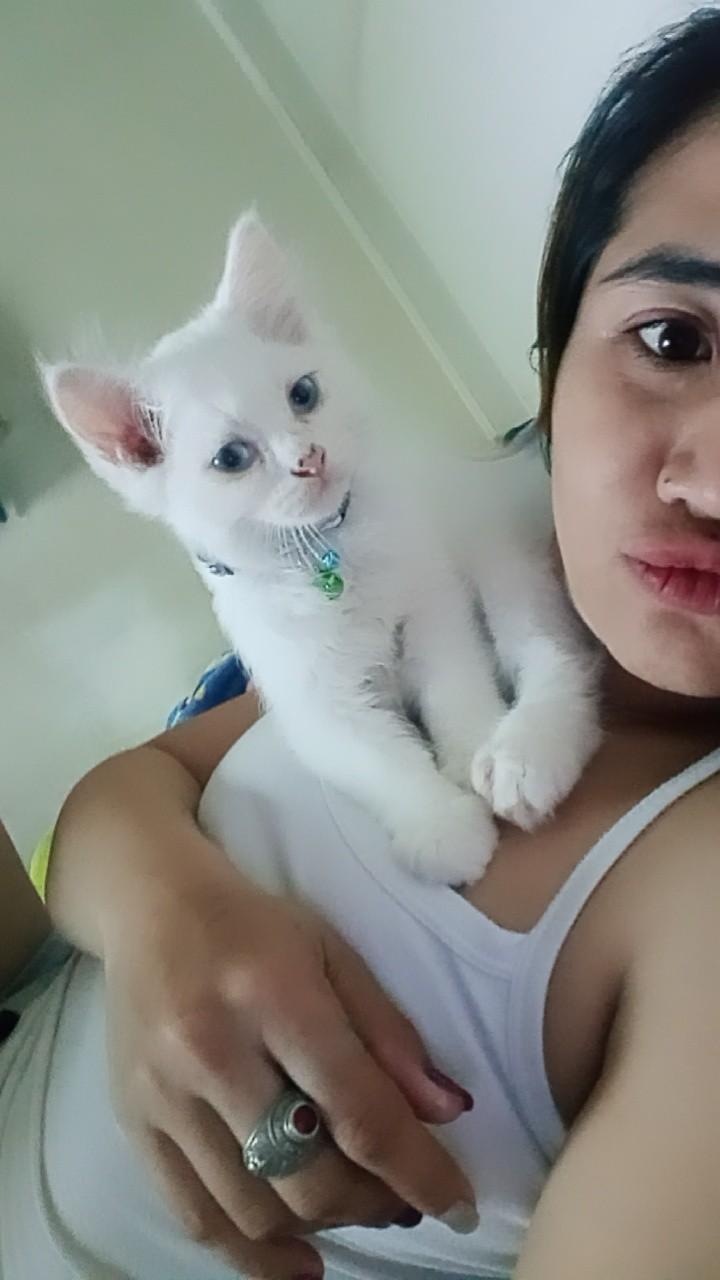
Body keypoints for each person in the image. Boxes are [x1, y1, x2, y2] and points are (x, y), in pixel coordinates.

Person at [3, 8, 720, 1278]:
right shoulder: (507, 513)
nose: (710, 480)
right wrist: (167, 911)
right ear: (557, 339)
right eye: (675, 338)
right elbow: (128, 786)